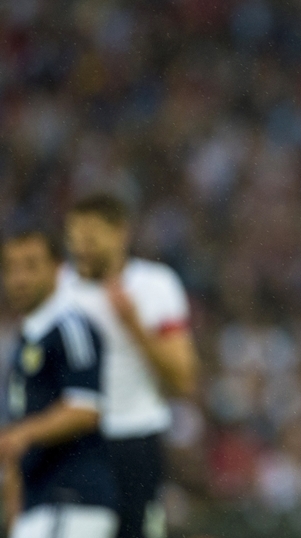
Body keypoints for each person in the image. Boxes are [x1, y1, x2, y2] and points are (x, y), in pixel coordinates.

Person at [61, 194, 198, 538]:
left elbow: (183, 378)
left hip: (136, 440)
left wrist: (134, 324)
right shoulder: (58, 289)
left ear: (121, 233)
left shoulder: (155, 285)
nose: (82, 247)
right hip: (76, 443)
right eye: (75, 238)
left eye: (91, 237)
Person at [1, 229, 118, 537]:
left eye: (30, 265)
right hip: (38, 506)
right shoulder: (25, 342)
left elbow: (86, 407)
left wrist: (21, 434)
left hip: (72, 499)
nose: (19, 278)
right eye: (11, 267)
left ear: (57, 268)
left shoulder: (70, 327)